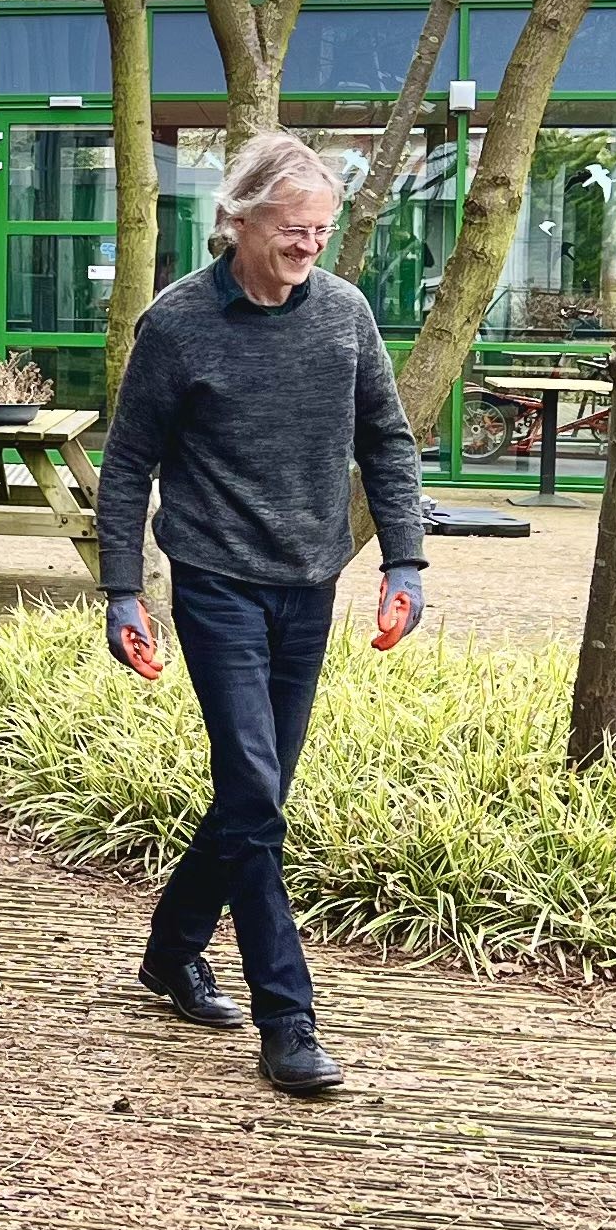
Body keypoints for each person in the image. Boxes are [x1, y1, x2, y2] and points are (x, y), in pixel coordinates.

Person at [96, 134, 428, 1098]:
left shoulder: (345, 316)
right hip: (213, 581)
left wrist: (404, 559)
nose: (309, 246)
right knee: (254, 790)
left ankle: (170, 950)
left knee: (256, 792)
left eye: (321, 230)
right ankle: (289, 1016)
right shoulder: (178, 325)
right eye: (292, 229)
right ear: (237, 219)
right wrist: (126, 588)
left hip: (308, 582)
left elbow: (389, 440)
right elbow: (127, 465)